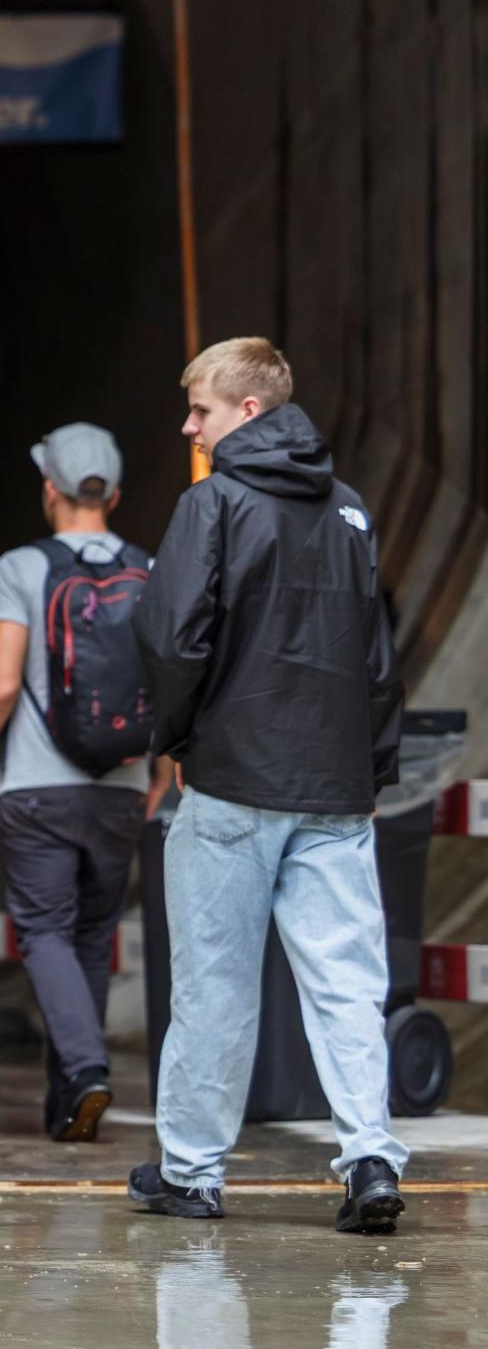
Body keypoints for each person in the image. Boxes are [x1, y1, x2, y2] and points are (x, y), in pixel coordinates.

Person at [129, 337, 408, 1233]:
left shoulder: (211, 506)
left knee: (214, 983)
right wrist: (371, 770)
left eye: (200, 409)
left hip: (233, 781)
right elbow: (376, 658)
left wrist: (173, 740)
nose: (188, 425)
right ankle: (369, 1159)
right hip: (332, 790)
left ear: (248, 411)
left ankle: (194, 1174)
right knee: (346, 985)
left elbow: (174, 639)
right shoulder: (352, 513)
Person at [0, 423, 151, 1142]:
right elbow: (170, 682)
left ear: (49, 489)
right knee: (92, 938)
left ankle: (86, 1069)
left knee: (43, 932)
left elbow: (0, 686)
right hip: (123, 785)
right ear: (115, 494)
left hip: (40, 783)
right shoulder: (150, 569)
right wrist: (159, 767)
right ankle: (69, 1099)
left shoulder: (22, 568)